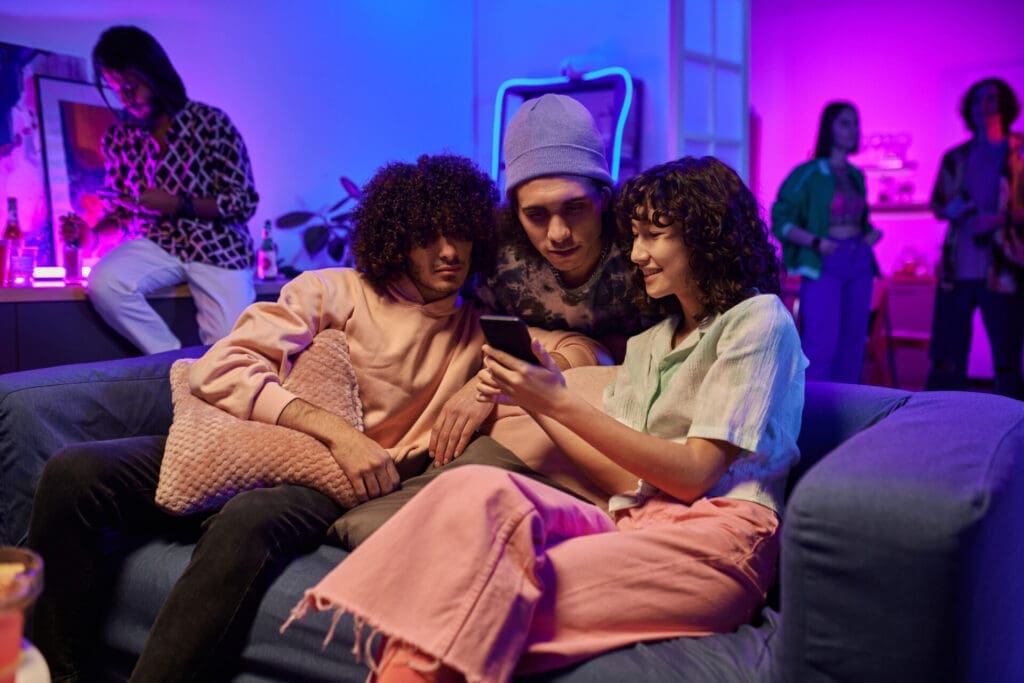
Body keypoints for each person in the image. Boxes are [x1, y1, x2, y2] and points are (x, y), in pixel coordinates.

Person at [27, 153, 604, 682]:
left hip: (338, 485)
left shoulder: (477, 328)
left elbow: (583, 351)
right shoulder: (331, 290)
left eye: (460, 236)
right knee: (74, 472)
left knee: (251, 518)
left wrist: (487, 387)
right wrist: (333, 432)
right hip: (248, 442)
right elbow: (220, 367)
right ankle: (56, 671)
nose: (448, 252)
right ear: (397, 238)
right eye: (429, 236)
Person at [285, 156, 808, 683]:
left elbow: (694, 477)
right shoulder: (649, 344)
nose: (637, 253)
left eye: (654, 235)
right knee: (475, 489)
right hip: (631, 518)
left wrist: (557, 402)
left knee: (475, 602)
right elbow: (632, 481)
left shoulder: (757, 319)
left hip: (718, 539)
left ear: (704, 236)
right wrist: (535, 398)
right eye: (634, 236)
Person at [429, 93, 651, 467]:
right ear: (514, 212)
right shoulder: (494, 259)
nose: (558, 233)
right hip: (535, 417)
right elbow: (466, 333)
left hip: (639, 415)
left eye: (575, 207)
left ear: (604, 198)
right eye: (536, 214)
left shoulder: (645, 248)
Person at [60, 26, 259, 355]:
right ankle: (172, 361)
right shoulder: (120, 137)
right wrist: (91, 236)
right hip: (159, 242)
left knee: (230, 345)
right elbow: (123, 211)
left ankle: (213, 375)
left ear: (153, 72)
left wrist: (178, 204)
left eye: (130, 86)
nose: (125, 98)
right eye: (116, 89)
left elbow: (242, 201)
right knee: (104, 282)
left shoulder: (209, 123)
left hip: (219, 246)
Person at [926, 77, 1024, 399]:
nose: (983, 106)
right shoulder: (955, 157)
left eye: (991, 99)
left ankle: (1011, 432)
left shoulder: (1019, 153)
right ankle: (943, 427)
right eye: (977, 100)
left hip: (1005, 270)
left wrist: (998, 219)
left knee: (1007, 359)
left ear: (1004, 105)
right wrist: (951, 210)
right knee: (948, 357)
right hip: (957, 270)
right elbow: (937, 203)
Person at [772, 101, 882, 383]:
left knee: (854, 344)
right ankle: (813, 418)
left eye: (855, 123)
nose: (853, 129)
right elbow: (781, 217)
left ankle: (849, 417)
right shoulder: (807, 173)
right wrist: (816, 242)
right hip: (824, 261)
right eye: (844, 123)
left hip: (858, 260)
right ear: (829, 128)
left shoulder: (857, 174)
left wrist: (869, 233)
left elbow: (860, 217)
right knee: (821, 344)